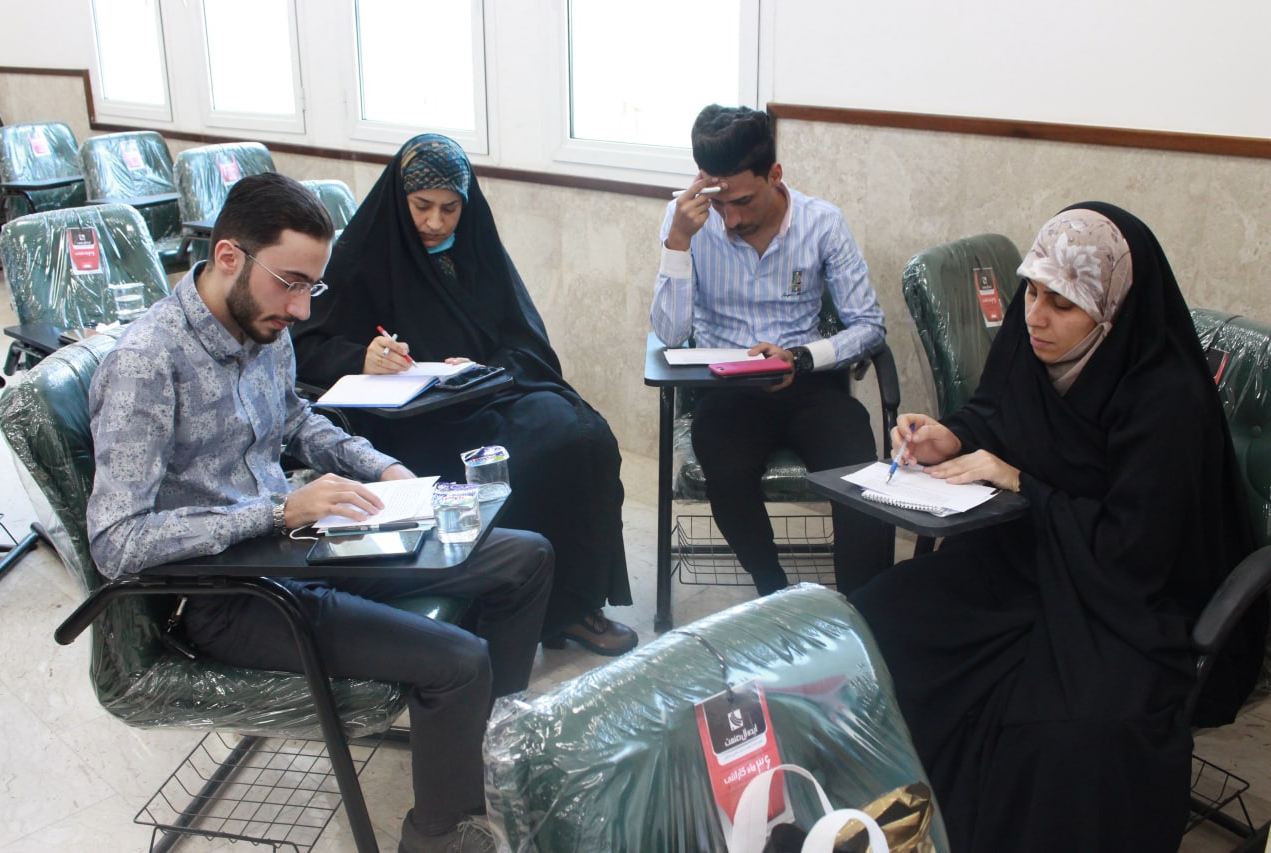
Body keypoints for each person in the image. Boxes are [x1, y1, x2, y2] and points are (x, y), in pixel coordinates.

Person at [87, 172, 554, 853]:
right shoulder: (146, 364)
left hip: (302, 543)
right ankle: (435, 835)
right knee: (459, 659)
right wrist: (277, 512)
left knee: (525, 557)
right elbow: (117, 542)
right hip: (235, 596)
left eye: (312, 286)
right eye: (291, 283)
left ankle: (486, 745)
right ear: (228, 257)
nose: (302, 309)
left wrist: (384, 469)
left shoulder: (264, 325)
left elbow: (298, 421)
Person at [851, 203, 1269, 851]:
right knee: (880, 619)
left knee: (1064, 733)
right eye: (1032, 291)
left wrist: (1022, 482)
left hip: (1124, 595)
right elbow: (998, 413)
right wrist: (952, 435)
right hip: (1027, 555)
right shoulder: (1031, 345)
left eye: (1063, 304)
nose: (1035, 317)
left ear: (1110, 312)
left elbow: (1135, 552)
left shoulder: (1167, 399)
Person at [292, 134, 636, 655]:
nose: (435, 222)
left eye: (450, 209)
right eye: (422, 206)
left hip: (486, 394)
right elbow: (303, 343)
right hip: (406, 422)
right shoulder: (362, 256)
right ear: (399, 201)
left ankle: (571, 607)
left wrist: (482, 368)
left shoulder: (476, 248)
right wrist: (361, 356)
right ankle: (490, 602)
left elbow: (525, 340)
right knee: (519, 457)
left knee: (583, 437)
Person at [650, 104, 890, 595]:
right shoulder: (687, 226)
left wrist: (801, 357)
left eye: (742, 200)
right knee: (725, 468)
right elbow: (670, 336)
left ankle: (864, 607)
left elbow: (869, 327)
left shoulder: (823, 224)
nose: (731, 218)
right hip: (727, 391)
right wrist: (678, 243)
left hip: (808, 383)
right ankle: (774, 593)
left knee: (860, 480)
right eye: (719, 202)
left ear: (775, 175)